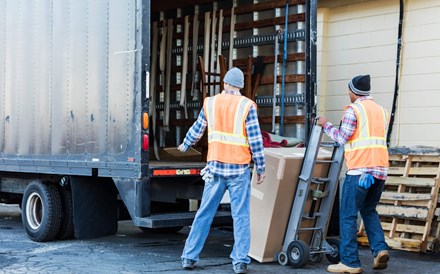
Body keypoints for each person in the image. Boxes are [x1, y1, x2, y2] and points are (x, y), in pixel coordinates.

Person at [178, 67, 266, 274]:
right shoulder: (247, 105)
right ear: (241, 86)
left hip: (215, 169)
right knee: (241, 216)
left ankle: (189, 257)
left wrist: (185, 144)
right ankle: (239, 261)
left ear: (224, 83)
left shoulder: (211, 102)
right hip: (238, 170)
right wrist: (261, 166)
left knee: (204, 214)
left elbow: (198, 128)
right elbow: (255, 140)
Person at [316, 75, 390, 273]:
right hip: (380, 171)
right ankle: (380, 250)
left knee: (348, 216)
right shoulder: (382, 111)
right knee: (369, 210)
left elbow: (343, 138)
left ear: (353, 91)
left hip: (360, 171)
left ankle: (350, 262)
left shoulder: (353, 109)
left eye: (348, 90)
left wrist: (325, 125)